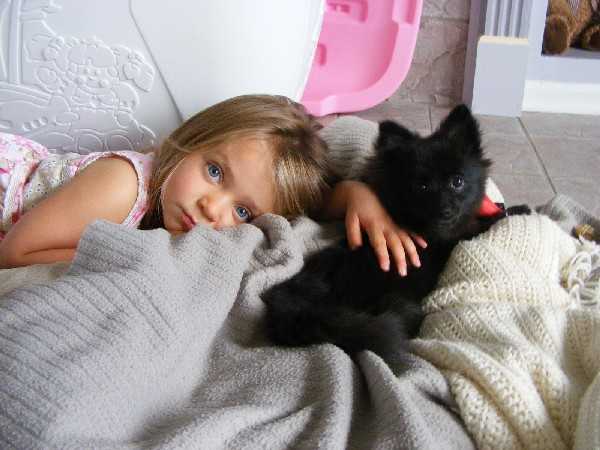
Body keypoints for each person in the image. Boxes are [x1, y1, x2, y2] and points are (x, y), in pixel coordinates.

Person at [0, 94, 424, 272]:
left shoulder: (179, 218)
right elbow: (15, 253)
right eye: (215, 172)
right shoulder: (123, 185)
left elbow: (306, 210)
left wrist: (355, 195)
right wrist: (137, 255)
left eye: (242, 212)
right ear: (192, 140)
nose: (211, 208)